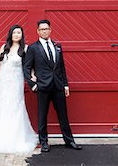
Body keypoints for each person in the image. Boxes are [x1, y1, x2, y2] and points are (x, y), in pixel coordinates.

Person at [0, 24, 38, 154]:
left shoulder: (25, 49)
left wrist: (32, 75)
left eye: (19, 33)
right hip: (4, 82)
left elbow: (29, 66)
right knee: (1, 106)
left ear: (22, 35)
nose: (16, 35)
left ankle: (16, 137)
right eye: (14, 32)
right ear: (10, 34)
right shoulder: (4, 47)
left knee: (15, 106)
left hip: (16, 82)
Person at [23, 19, 82, 153]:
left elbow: (61, 67)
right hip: (43, 87)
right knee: (42, 116)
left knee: (63, 115)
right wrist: (33, 85)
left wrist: (65, 85)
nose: (44, 31)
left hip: (58, 86)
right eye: (42, 29)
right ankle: (44, 143)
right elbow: (26, 68)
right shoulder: (33, 48)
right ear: (38, 31)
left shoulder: (57, 46)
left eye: (46, 29)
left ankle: (69, 141)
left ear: (50, 30)